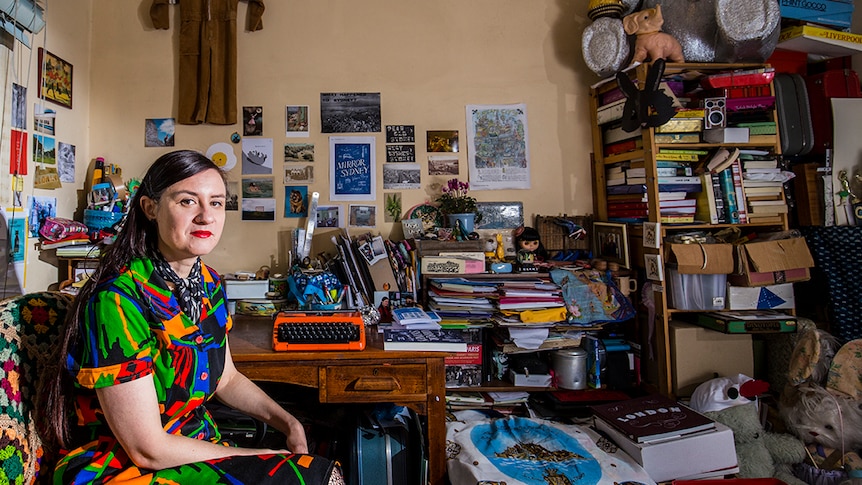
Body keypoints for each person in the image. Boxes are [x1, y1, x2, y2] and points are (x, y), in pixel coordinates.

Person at [46, 150, 342, 484]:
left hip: (198, 448)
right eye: (188, 202)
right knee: (316, 476)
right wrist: (261, 458)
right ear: (150, 208)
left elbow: (226, 378)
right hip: (126, 468)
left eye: (216, 203)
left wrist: (287, 422)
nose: (206, 216)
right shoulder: (118, 300)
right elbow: (147, 448)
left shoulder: (210, 283)